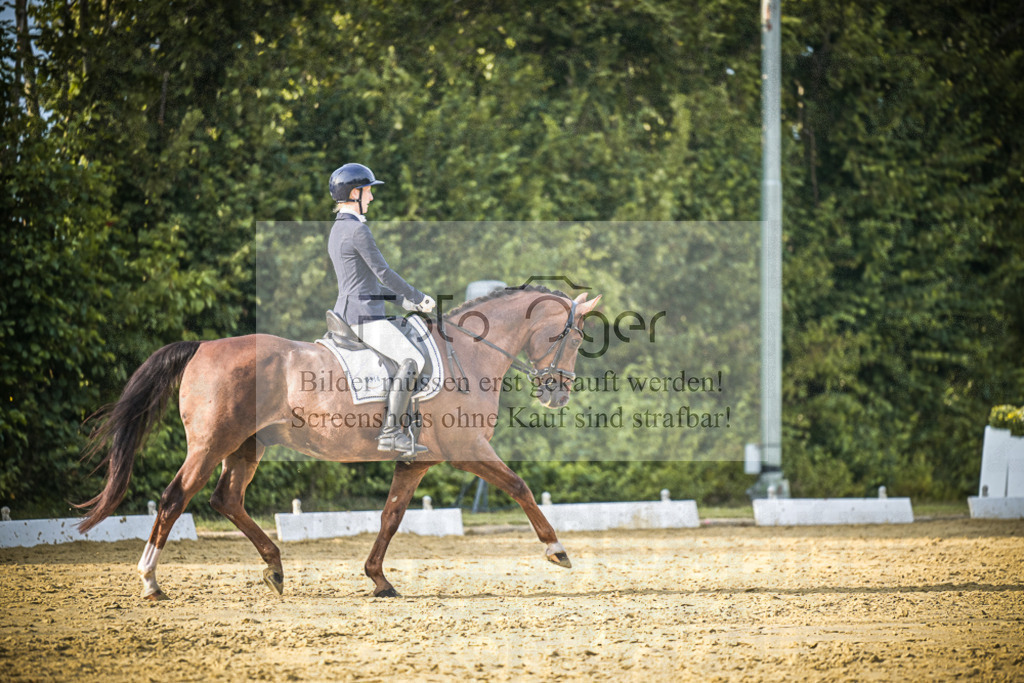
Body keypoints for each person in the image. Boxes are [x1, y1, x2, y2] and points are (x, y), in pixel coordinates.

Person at [327, 163, 435, 456]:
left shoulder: (339, 229)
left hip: (350, 308)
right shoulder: (358, 231)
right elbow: (383, 273)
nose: (372, 198)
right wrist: (419, 297)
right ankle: (391, 434)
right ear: (354, 193)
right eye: (368, 191)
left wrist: (402, 302)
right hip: (363, 316)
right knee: (412, 358)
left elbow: (361, 282)